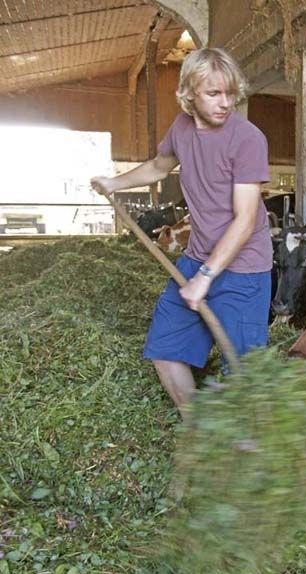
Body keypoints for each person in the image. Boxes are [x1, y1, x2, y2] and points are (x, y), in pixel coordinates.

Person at [91, 48, 272, 412]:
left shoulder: (247, 138)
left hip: (243, 268)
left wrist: (205, 277)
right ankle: (198, 428)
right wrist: (114, 183)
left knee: (245, 373)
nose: (226, 103)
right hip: (196, 258)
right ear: (189, 93)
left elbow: (245, 220)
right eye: (213, 93)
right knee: (165, 349)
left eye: (230, 93)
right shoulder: (182, 128)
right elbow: (158, 167)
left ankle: (247, 439)